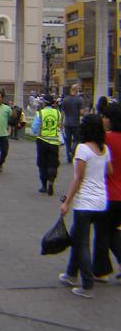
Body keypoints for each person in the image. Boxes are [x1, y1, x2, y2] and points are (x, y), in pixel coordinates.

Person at [59, 114, 112, 298]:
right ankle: (71, 273)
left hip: (85, 203)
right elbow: (109, 171)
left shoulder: (82, 149)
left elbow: (78, 178)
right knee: (76, 236)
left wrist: (66, 201)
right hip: (101, 202)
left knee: (81, 244)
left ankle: (87, 284)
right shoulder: (104, 149)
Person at [92, 103, 121, 280]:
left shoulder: (105, 140)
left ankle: (101, 271)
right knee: (112, 231)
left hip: (107, 194)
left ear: (111, 120)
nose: (103, 120)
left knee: (102, 233)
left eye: (105, 117)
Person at [32, 94, 63, 196]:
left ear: (45, 103)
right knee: (53, 163)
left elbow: (34, 128)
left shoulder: (40, 113)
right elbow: (60, 126)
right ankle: (51, 181)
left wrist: (37, 133)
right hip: (54, 142)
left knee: (42, 163)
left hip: (42, 140)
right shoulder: (58, 113)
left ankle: (44, 185)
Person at [61, 84, 85, 163]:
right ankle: (72, 151)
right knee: (76, 140)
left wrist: (61, 122)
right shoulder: (79, 100)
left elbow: (62, 112)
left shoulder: (65, 99)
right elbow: (81, 112)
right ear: (76, 90)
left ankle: (68, 155)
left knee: (68, 140)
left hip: (67, 123)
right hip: (76, 123)